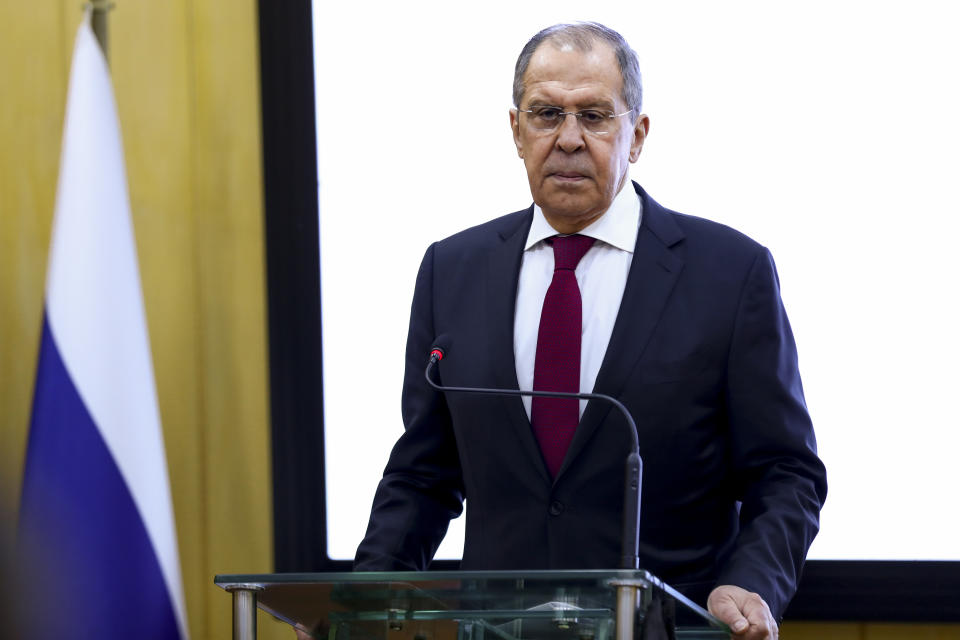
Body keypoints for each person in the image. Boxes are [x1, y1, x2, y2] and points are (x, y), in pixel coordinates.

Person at [354, 22, 827, 640]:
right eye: (546, 113)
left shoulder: (729, 272)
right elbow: (424, 472)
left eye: (595, 116)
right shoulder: (452, 269)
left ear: (638, 136)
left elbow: (785, 471)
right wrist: (360, 602)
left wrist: (753, 580)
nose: (569, 139)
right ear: (516, 132)